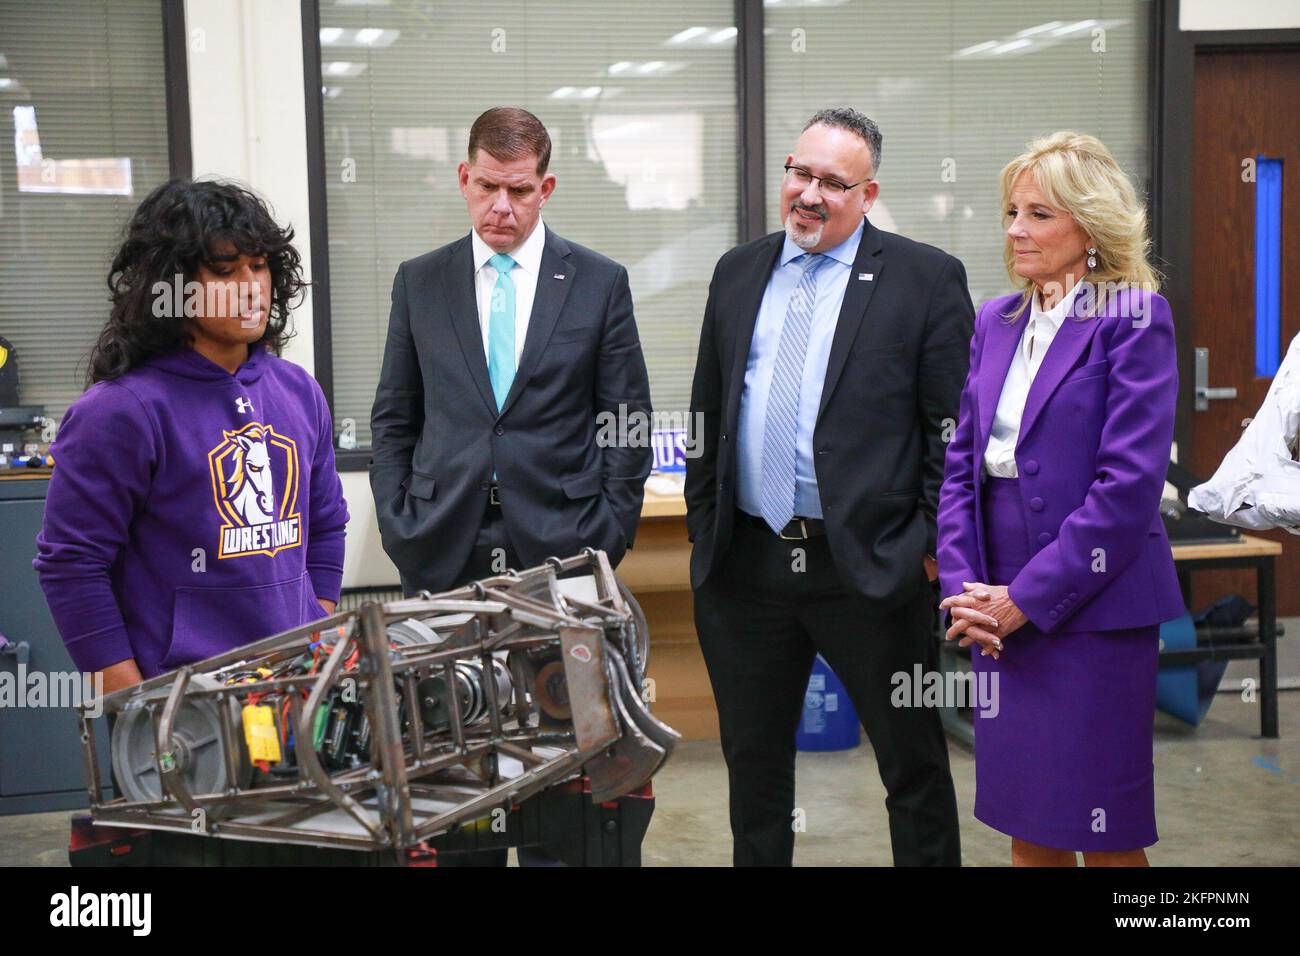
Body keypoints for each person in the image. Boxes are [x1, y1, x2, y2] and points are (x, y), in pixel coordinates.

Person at [685, 107, 972, 866]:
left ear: (869, 193)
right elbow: (708, 411)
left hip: (869, 570)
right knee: (753, 770)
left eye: (832, 183)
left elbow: (955, 434)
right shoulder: (738, 270)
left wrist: (925, 547)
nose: (809, 195)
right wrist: (704, 522)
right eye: (799, 173)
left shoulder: (925, 280)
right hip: (747, 565)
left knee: (913, 766)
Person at [369, 106, 652, 865]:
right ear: (464, 178)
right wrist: (403, 523)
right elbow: (394, 419)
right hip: (443, 551)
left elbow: (626, 421)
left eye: (520, 190)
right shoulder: (419, 282)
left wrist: (608, 533)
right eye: (488, 187)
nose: (502, 207)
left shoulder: (596, 283)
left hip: (560, 556)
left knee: (565, 762)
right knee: (455, 766)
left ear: (546, 187)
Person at [936, 131, 1184, 867]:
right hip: (998, 617)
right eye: (1012, 211)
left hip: (1093, 609)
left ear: (1091, 227)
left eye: (1039, 214)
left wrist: (1027, 598)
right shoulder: (995, 321)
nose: (1015, 229)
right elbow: (960, 470)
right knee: (1029, 824)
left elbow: (1127, 491)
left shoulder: (1134, 318)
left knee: (1102, 831)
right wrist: (966, 595)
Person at [35, 178, 349, 694]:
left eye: (260, 265)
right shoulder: (121, 412)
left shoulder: (298, 390)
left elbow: (328, 523)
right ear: (171, 285)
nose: (251, 286)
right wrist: (135, 702)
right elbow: (72, 566)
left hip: (297, 689)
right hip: (182, 708)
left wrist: (314, 626)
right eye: (225, 271)